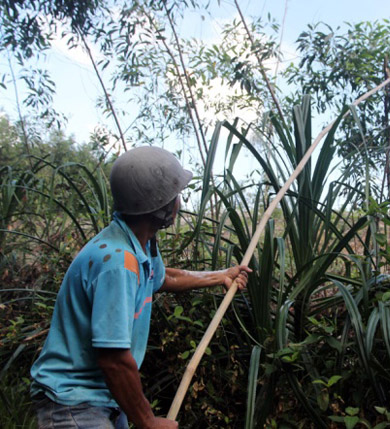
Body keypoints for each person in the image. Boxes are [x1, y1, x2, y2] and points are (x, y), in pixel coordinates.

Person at [30, 146, 251, 428]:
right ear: (161, 209)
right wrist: (147, 421)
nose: (179, 202)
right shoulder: (119, 264)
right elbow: (113, 359)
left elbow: (162, 279)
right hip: (75, 403)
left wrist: (221, 275)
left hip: (102, 398)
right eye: (176, 196)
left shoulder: (136, 246)